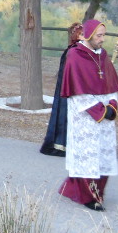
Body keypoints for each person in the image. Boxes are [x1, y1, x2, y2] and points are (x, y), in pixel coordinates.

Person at [58, 19, 118, 211]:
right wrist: (100, 111)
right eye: (99, 36)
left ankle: (85, 191)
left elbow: (111, 84)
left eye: (104, 35)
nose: (102, 39)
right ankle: (90, 197)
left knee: (102, 155)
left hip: (105, 117)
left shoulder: (103, 56)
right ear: (89, 35)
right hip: (85, 117)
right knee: (87, 155)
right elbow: (78, 93)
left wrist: (112, 105)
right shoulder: (75, 56)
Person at [40, 23, 84, 157]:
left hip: (77, 90)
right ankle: (63, 144)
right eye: (81, 34)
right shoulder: (73, 51)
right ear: (76, 35)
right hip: (69, 90)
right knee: (66, 116)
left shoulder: (81, 50)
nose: (84, 37)